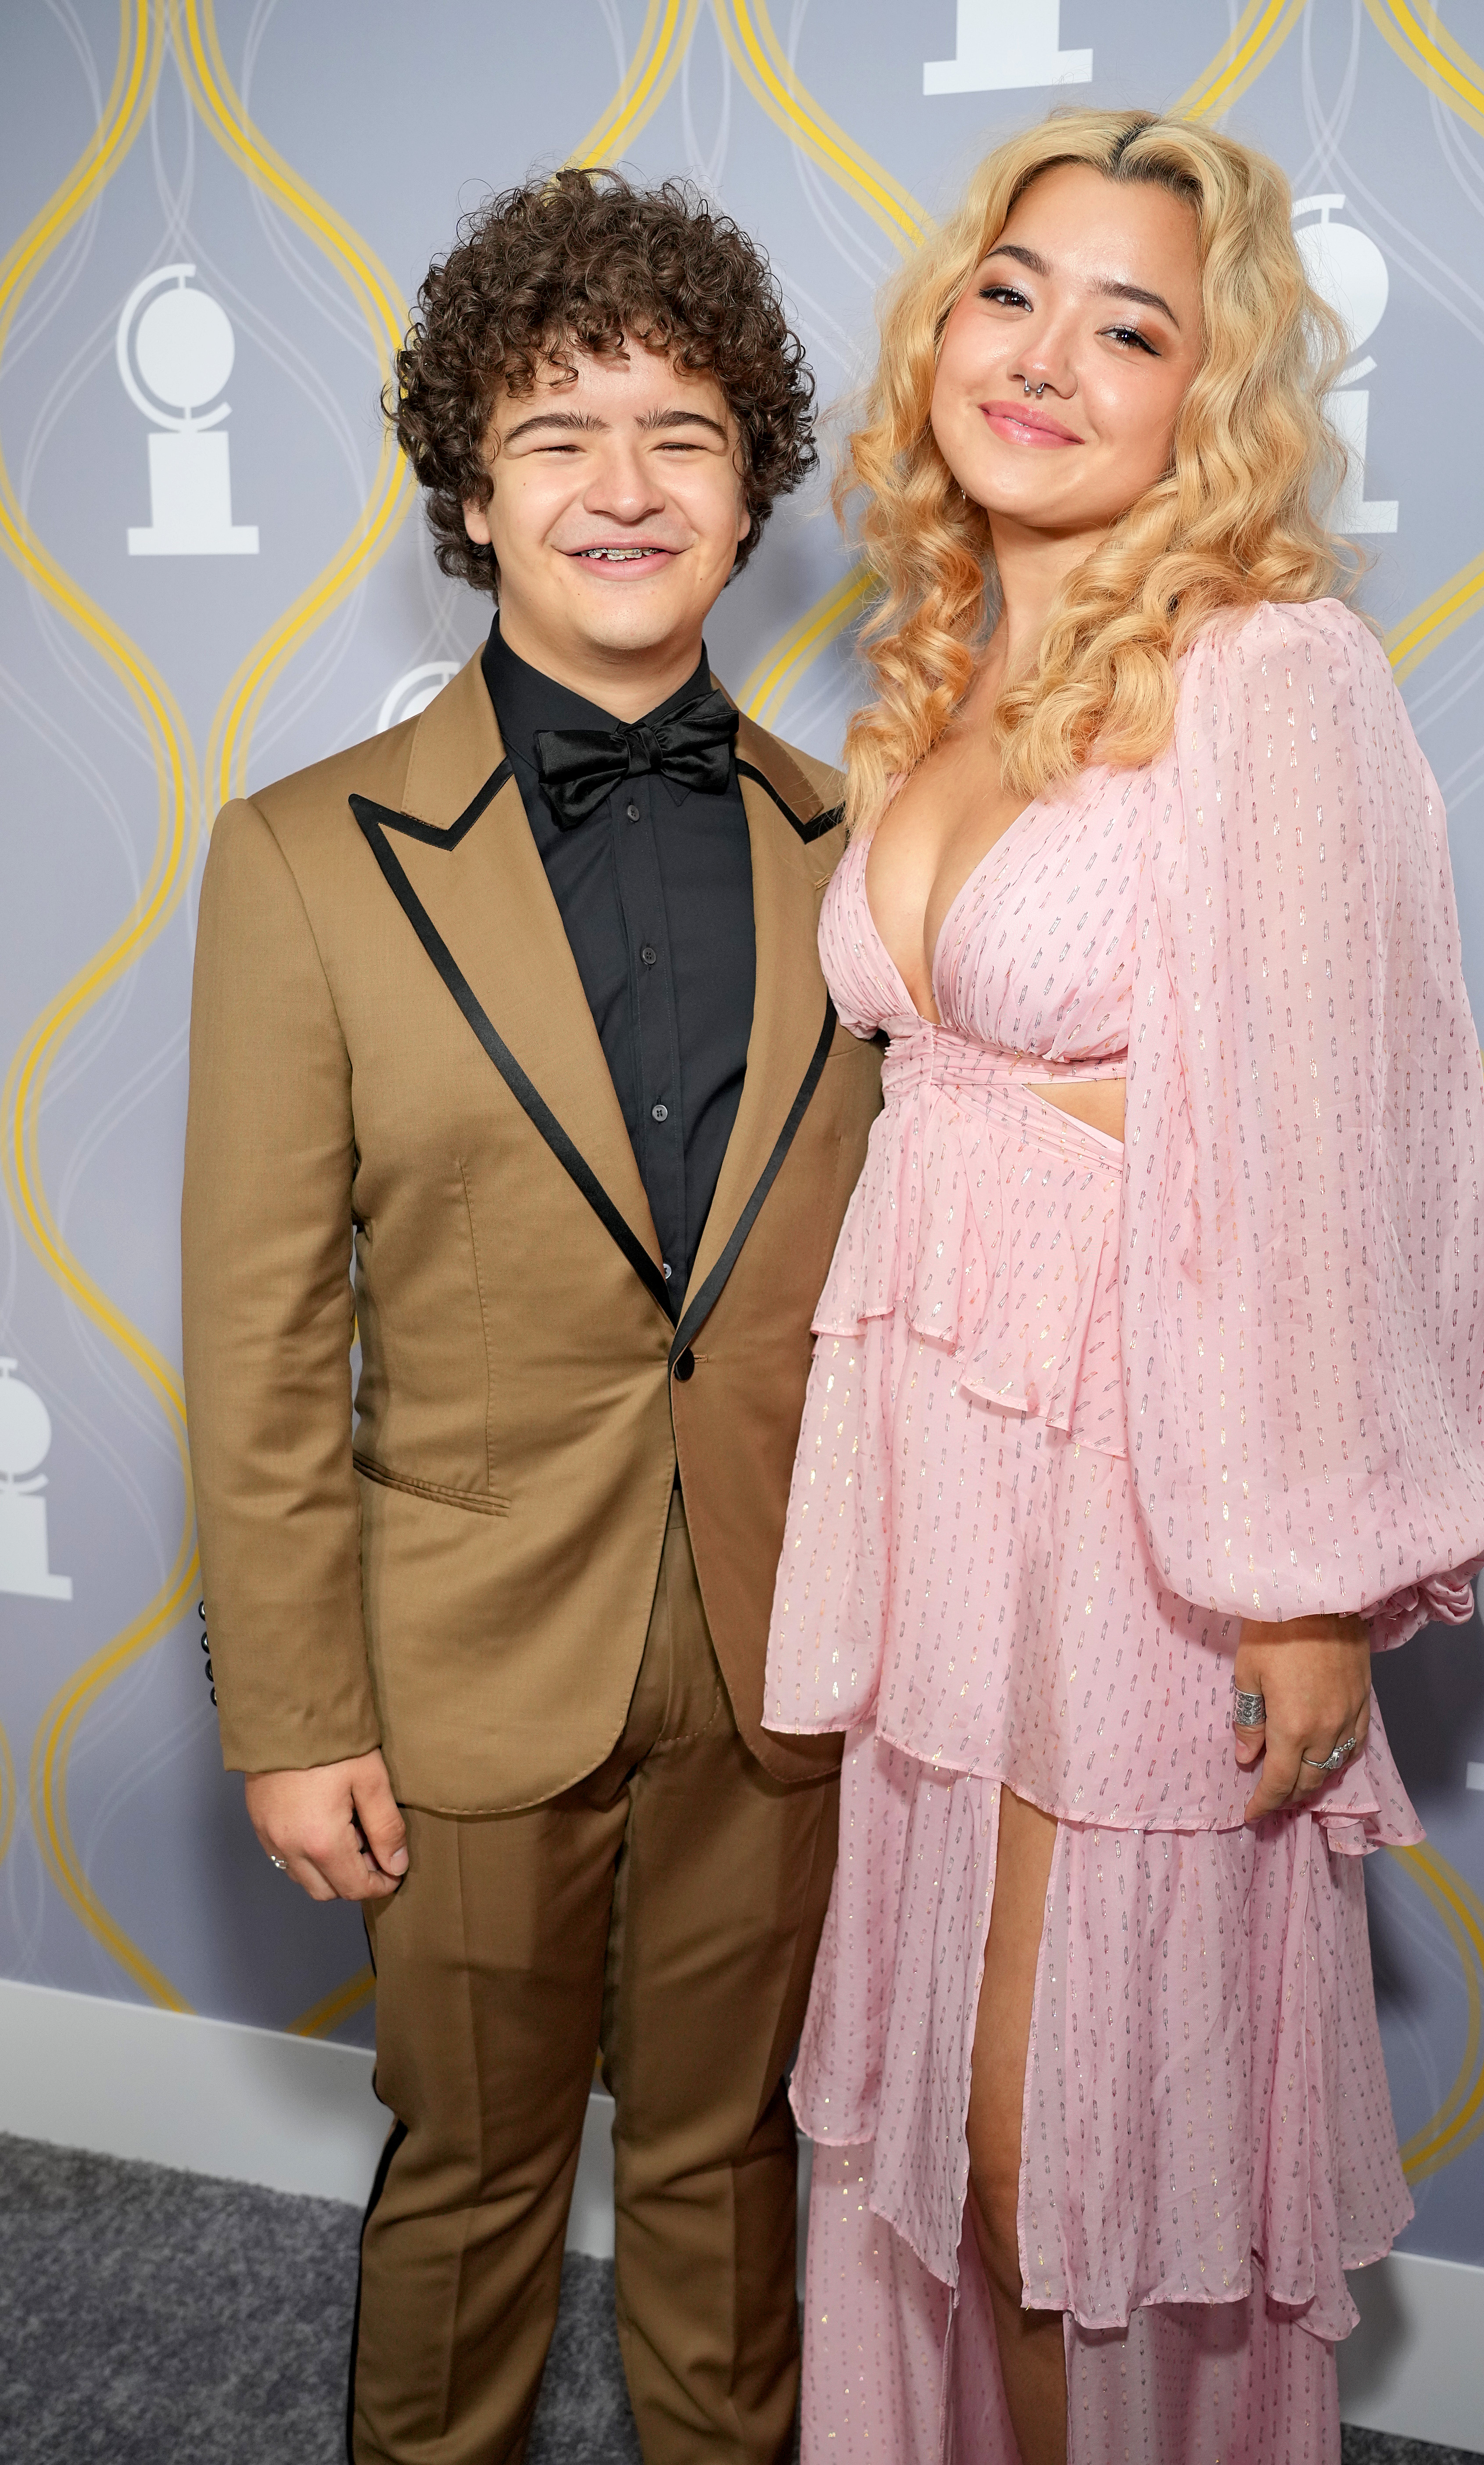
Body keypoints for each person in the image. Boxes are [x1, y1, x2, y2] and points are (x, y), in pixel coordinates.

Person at [763, 110, 1484, 2465]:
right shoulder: (951, 673)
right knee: (938, 2168)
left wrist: (1305, 1581)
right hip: (940, 1473)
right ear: (942, 325)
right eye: (1013, 290)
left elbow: (1352, 1157)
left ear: (1216, 401)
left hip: (1146, 1502)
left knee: (1054, 2152)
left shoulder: (1273, 675)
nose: (1050, 356)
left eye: (1134, 325)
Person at [181, 169, 881, 2465]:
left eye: (682, 432)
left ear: (751, 490)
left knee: (726, 2158)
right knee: (475, 2170)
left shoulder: (862, 850)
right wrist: (294, 1707)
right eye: (559, 430)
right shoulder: (304, 858)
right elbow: (265, 1334)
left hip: (782, 1643)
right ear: (470, 491)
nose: (623, 484)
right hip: (463, 1650)